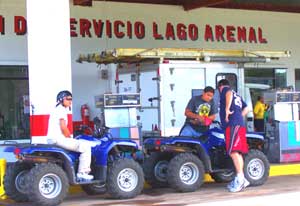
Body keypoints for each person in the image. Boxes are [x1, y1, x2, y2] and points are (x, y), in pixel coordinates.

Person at [47, 90, 93, 181]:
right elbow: (63, 127)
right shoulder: (61, 110)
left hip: (53, 139)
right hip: (59, 139)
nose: (70, 101)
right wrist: (70, 137)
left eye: (71, 99)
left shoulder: (57, 109)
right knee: (86, 146)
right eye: (68, 99)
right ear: (61, 99)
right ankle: (82, 172)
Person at [217, 79, 250, 193]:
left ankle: (240, 179)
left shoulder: (226, 90)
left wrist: (227, 110)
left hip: (232, 125)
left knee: (233, 152)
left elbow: (228, 93)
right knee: (237, 152)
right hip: (238, 124)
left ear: (220, 86)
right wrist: (239, 116)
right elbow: (247, 108)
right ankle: (243, 179)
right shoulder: (238, 96)